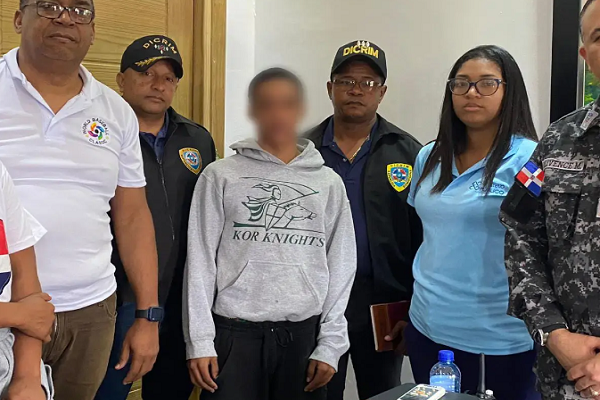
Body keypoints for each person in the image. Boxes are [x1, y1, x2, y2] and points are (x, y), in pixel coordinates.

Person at [0, 1, 160, 399]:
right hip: (4, 309)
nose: (65, 18)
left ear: (92, 30)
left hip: (91, 310)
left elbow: (133, 216)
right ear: (18, 18)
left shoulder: (116, 111)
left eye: (79, 10)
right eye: (50, 5)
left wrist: (148, 314)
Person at [184, 67, 357, 400]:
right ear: (252, 110)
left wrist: (331, 343)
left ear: (300, 110)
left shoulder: (328, 183)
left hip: (303, 337)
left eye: (287, 104)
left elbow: (342, 264)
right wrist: (200, 340)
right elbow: (200, 260)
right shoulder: (220, 175)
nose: (278, 114)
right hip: (234, 335)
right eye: (267, 104)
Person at [404, 45, 539, 400]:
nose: (471, 93)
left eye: (487, 83)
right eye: (461, 83)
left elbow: (549, 249)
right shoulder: (429, 156)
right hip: (427, 327)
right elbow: (427, 236)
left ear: (510, 91)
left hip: (498, 338)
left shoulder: (530, 160)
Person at [95, 35, 216, 400]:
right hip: (118, 298)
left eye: (168, 77)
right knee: (108, 391)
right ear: (121, 79)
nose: (158, 84)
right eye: (147, 73)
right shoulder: (100, 135)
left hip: (182, 297)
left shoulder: (197, 140)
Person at [306, 40, 422, 400]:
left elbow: (422, 235)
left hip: (383, 301)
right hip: (317, 298)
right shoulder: (302, 151)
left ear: (382, 92)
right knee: (317, 390)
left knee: (382, 391)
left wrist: (414, 307)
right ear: (330, 88)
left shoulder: (408, 152)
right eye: (346, 81)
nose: (356, 90)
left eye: (368, 82)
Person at [501, 1, 600, 399]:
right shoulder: (558, 140)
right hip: (563, 375)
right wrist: (552, 332)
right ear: (586, 56)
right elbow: (520, 235)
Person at [0, 161, 54, 400]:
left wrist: (29, 377)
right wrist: (19, 315)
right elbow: (30, 313)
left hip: (9, 357)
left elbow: (26, 279)